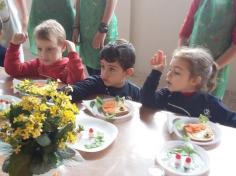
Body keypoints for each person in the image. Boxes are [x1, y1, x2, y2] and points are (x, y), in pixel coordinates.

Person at [141, 47, 236, 128]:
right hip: (170, 144)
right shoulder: (167, 94)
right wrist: (156, 71)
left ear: (194, 81)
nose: (169, 75)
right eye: (170, 69)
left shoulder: (210, 104)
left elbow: (232, 119)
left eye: (177, 72)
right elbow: (146, 99)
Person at [178, 0, 236, 99]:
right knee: (184, 101)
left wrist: (212, 68)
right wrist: (181, 60)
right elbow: (185, 33)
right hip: (191, 65)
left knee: (207, 109)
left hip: (216, 68)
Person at [4, 19, 86, 84]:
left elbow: (77, 83)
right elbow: (13, 70)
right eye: (40, 49)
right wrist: (14, 46)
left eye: (49, 49)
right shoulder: (37, 65)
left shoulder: (68, 67)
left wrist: (73, 55)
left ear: (63, 47)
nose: (43, 55)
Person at [65, 39, 140, 102]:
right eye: (103, 66)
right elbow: (74, 90)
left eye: (112, 69)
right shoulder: (95, 83)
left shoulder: (135, 92)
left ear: (128, 72)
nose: (104, 74)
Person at [72, 0, 118, 75]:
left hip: (103, 27)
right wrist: (76, 26)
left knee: (104, 69)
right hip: (85, 27)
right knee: (91, 68)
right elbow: (78, 2)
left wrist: (102, 30)